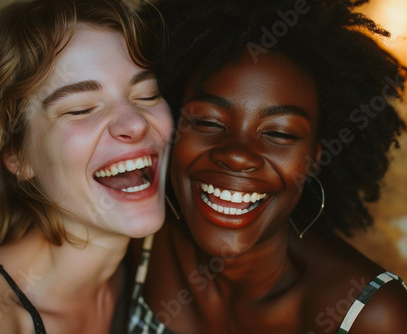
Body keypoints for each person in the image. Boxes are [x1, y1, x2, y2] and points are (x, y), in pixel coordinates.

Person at [128, 0, 407, 333]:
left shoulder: (370, 316)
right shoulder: (136, 237)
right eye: (208, 122)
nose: (238, 155)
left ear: (316, 158)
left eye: (278, 133)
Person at [0, 0, 173, 333]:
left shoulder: (155, 272)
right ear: (17, 154)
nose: (135, 123)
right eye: (80, 109)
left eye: (147, 94)